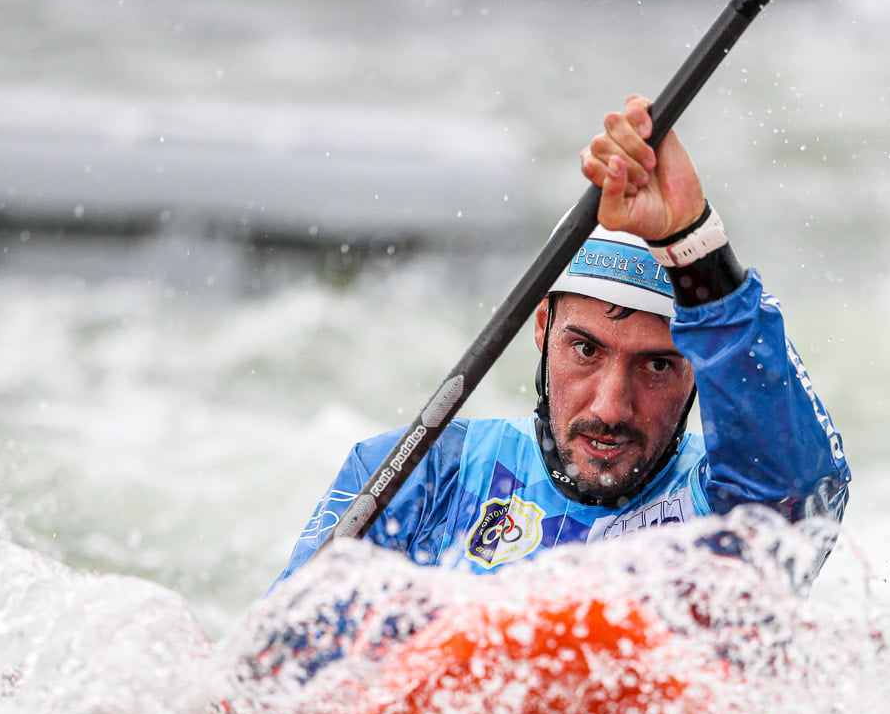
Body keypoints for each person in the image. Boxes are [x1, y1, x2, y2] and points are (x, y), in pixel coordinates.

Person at [270, 94, 850, 586]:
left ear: (701, 367)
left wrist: (691, 246)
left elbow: (797, 490)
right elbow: (284, 683)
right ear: (543, 329)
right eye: (587, 350)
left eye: (656, 367)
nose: (610, 407)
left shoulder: (724, 517)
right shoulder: (420, 474)